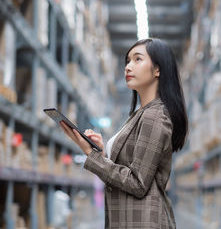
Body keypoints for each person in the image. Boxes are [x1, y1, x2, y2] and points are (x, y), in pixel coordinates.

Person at [59, 38, 188, 229]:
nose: (128, 67)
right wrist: (102, 155)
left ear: (158, 70)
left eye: (137, 60)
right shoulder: (139, 114)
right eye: (128, 61)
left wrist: (92, 156)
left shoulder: (154, 115)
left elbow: (137, 183)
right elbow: (124, 175)